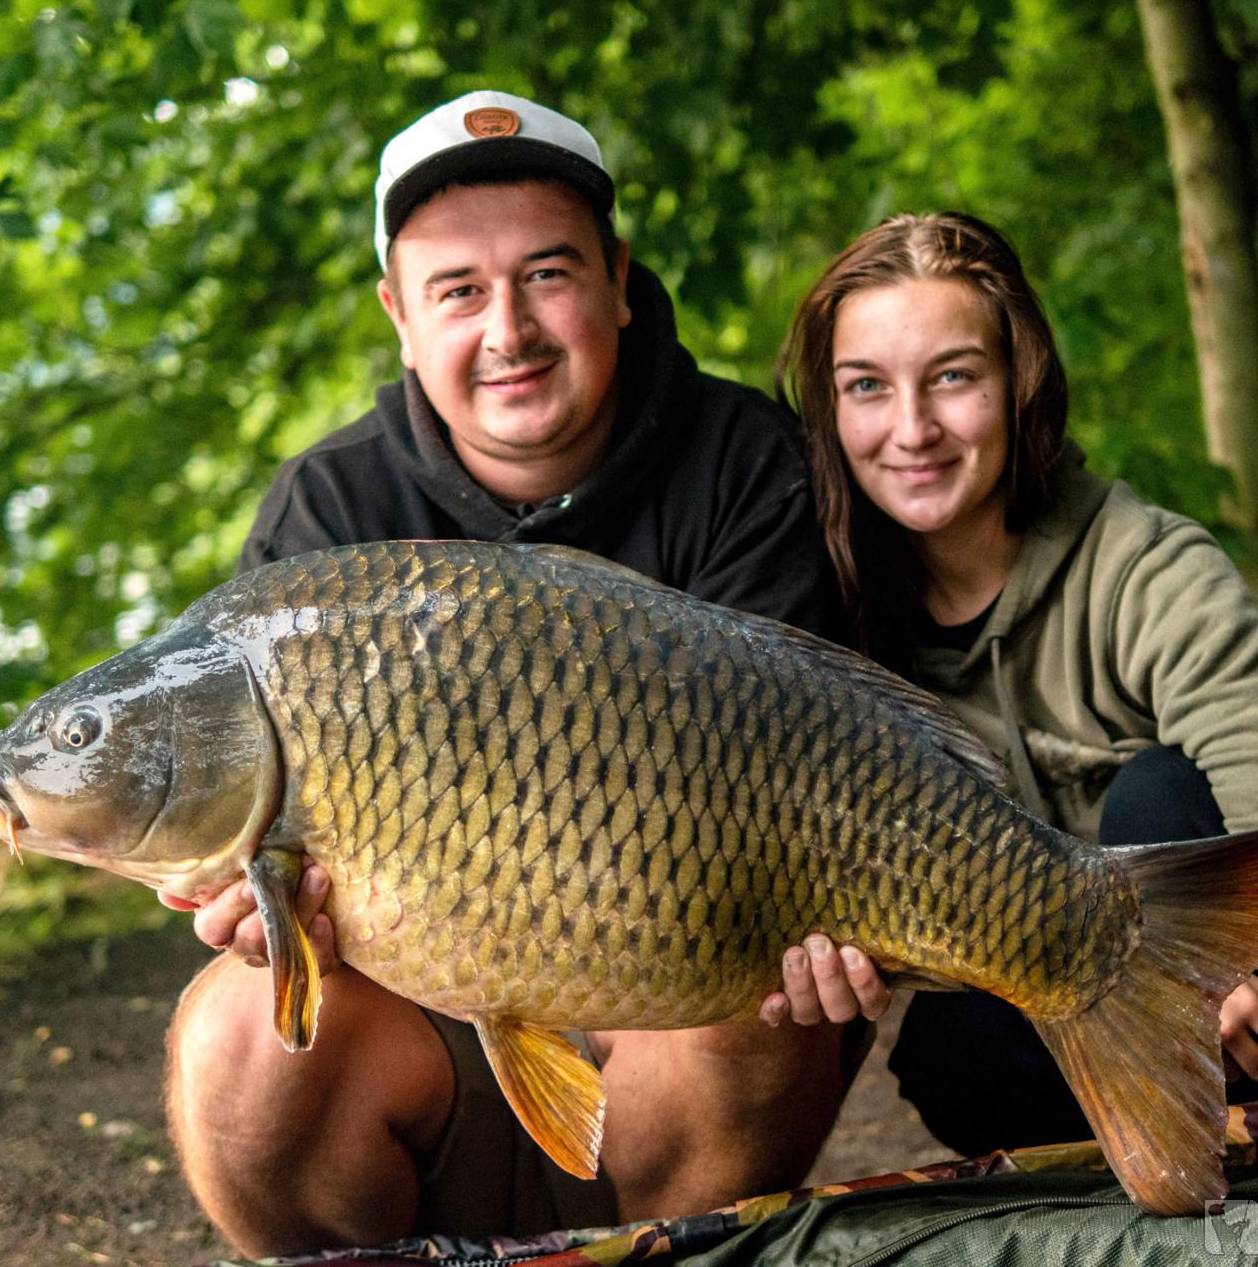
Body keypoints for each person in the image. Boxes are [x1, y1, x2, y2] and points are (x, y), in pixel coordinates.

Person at [160, 92, 855, 1255]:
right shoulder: (328, 510)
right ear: (398, 316)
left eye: (546, 274)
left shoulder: (748, 464)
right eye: (458, 290)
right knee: (235, 1034)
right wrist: (261, 905)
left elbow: (810, 779)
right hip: (430, 1038)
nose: (508, 329)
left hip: (687, 1006)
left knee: (763, 992)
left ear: (617, 280)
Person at [766, 210, 1258, 1156]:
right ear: (828, 411)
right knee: (950, 1052)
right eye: (867, 386)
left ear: (1020, 383)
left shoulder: (1146, 566)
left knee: (1151, 797)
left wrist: (1257, 953)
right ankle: (1191, 1148)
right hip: (1122, 1002)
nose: (912, 429)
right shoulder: (838, 628)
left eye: (953, 376)